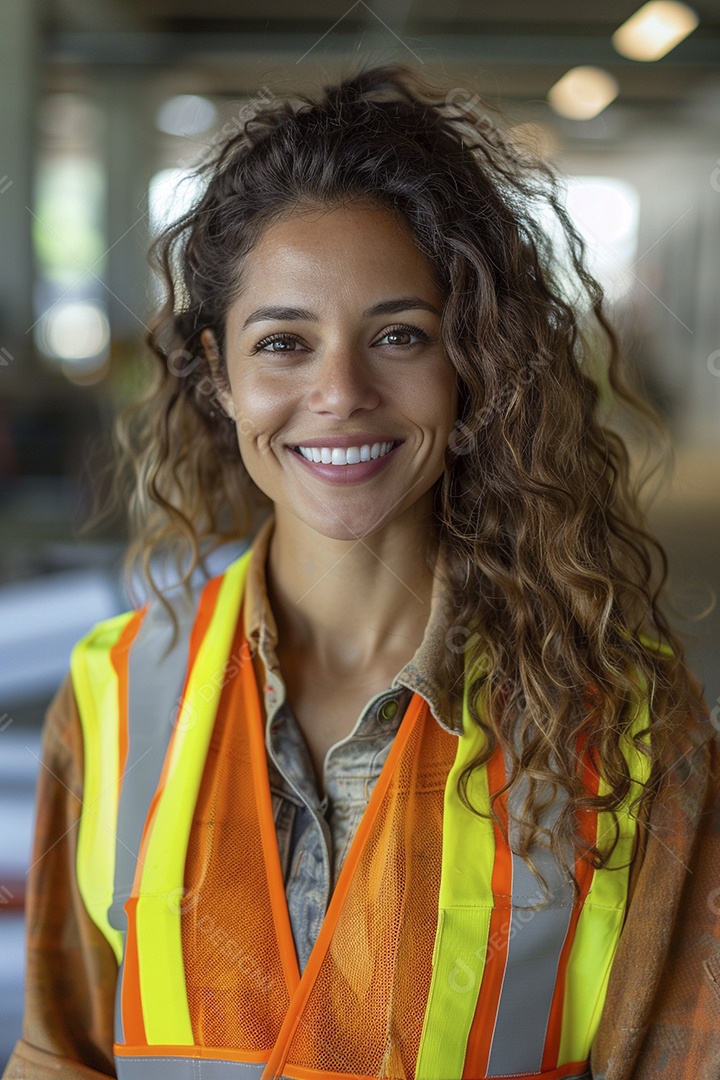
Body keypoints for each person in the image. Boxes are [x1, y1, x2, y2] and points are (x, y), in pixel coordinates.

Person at [4, 64, 719, 1080]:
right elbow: (59, 1052)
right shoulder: (114, 691)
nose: (339, 393)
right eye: (284, 343)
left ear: (472, 361)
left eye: (398, 336)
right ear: (219, 376)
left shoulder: (630, 720)